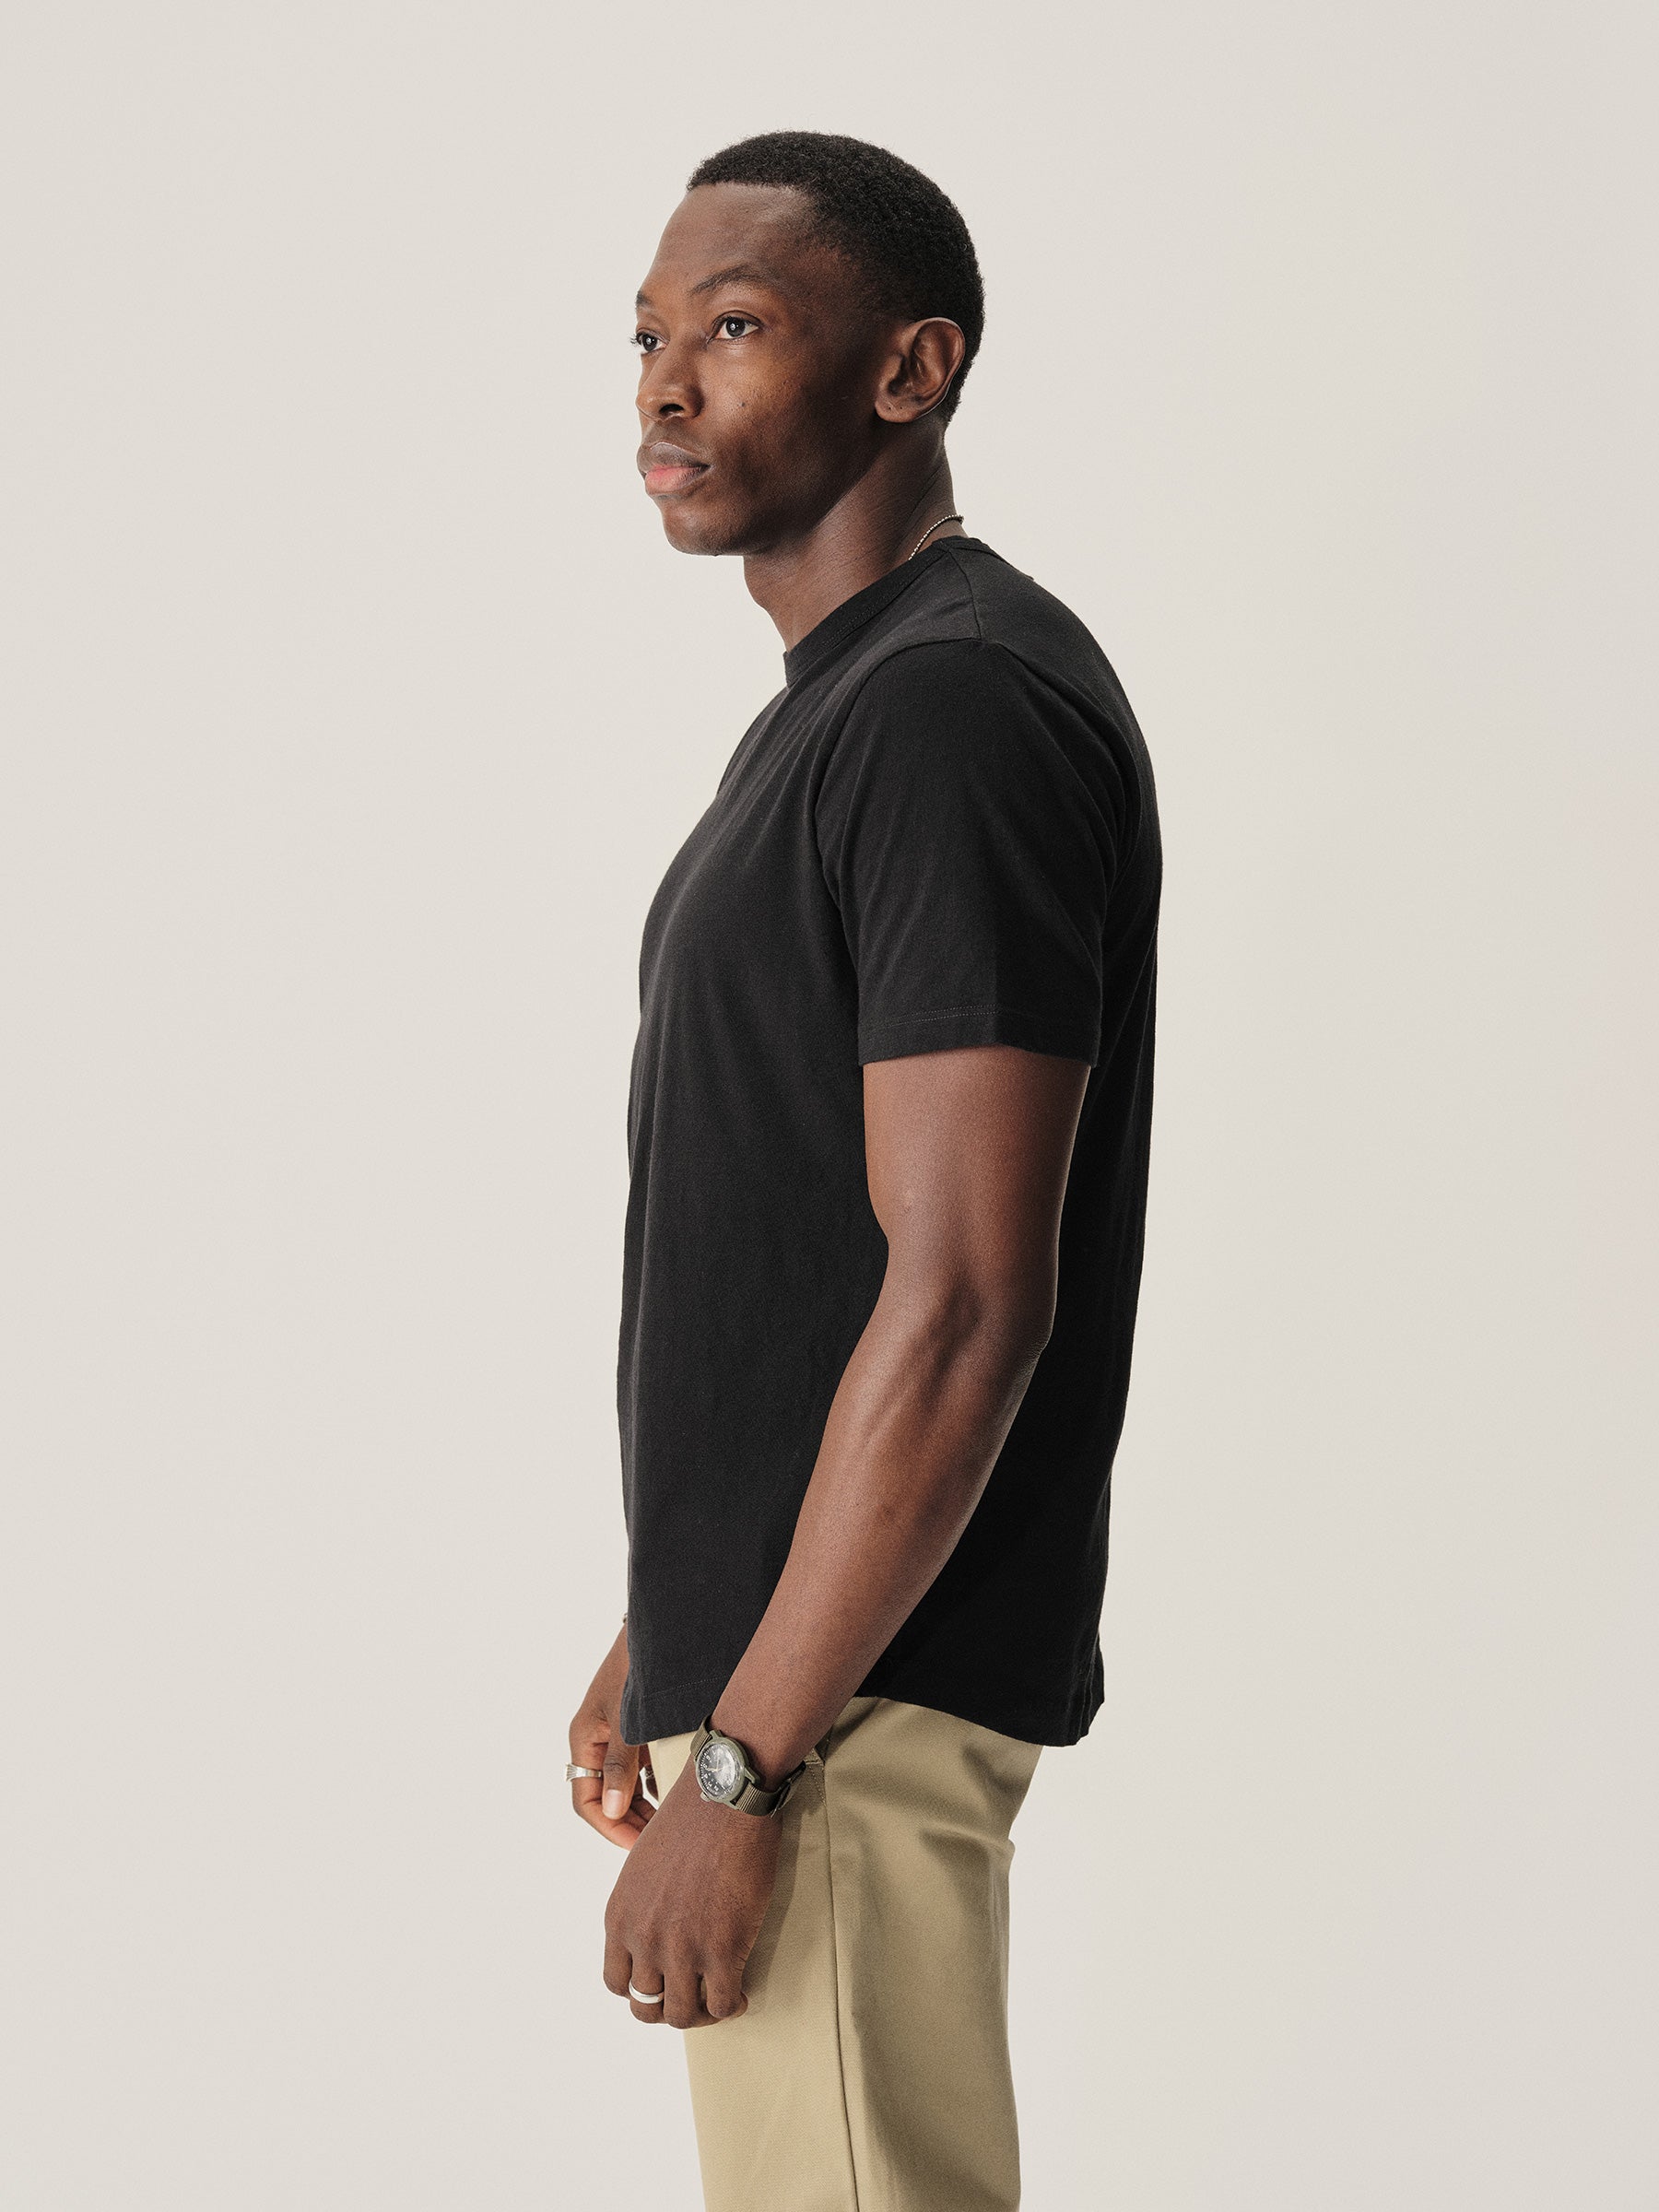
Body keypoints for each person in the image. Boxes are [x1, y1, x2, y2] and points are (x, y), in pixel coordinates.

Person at [567, 130, 1161, 2212]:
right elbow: (808, 1245)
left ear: (914, 369)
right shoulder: (846, 716)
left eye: (733, 326)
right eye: (646, 337)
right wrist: (672, 1629)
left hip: (841, 1721)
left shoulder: (948, 712)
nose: (666, 384)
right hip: (800, 1681)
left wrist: (746, 1761)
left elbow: (971, 1298)